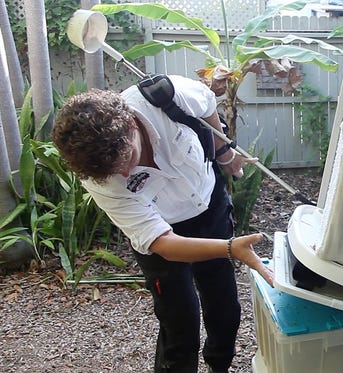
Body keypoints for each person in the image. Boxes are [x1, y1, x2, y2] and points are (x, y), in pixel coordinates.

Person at [52, 74, 274, 373]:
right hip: (162, 235)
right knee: (179, 321)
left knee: (224, 308)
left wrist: (223, 151)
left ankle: (219, 365)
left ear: (131, 124)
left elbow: (207, 103)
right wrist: (231, 248)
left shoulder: (164, 95)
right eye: (115, 172)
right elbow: (164, 245)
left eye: (128, 156)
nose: (128, 171)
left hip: (210, 206)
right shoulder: (98, 178)